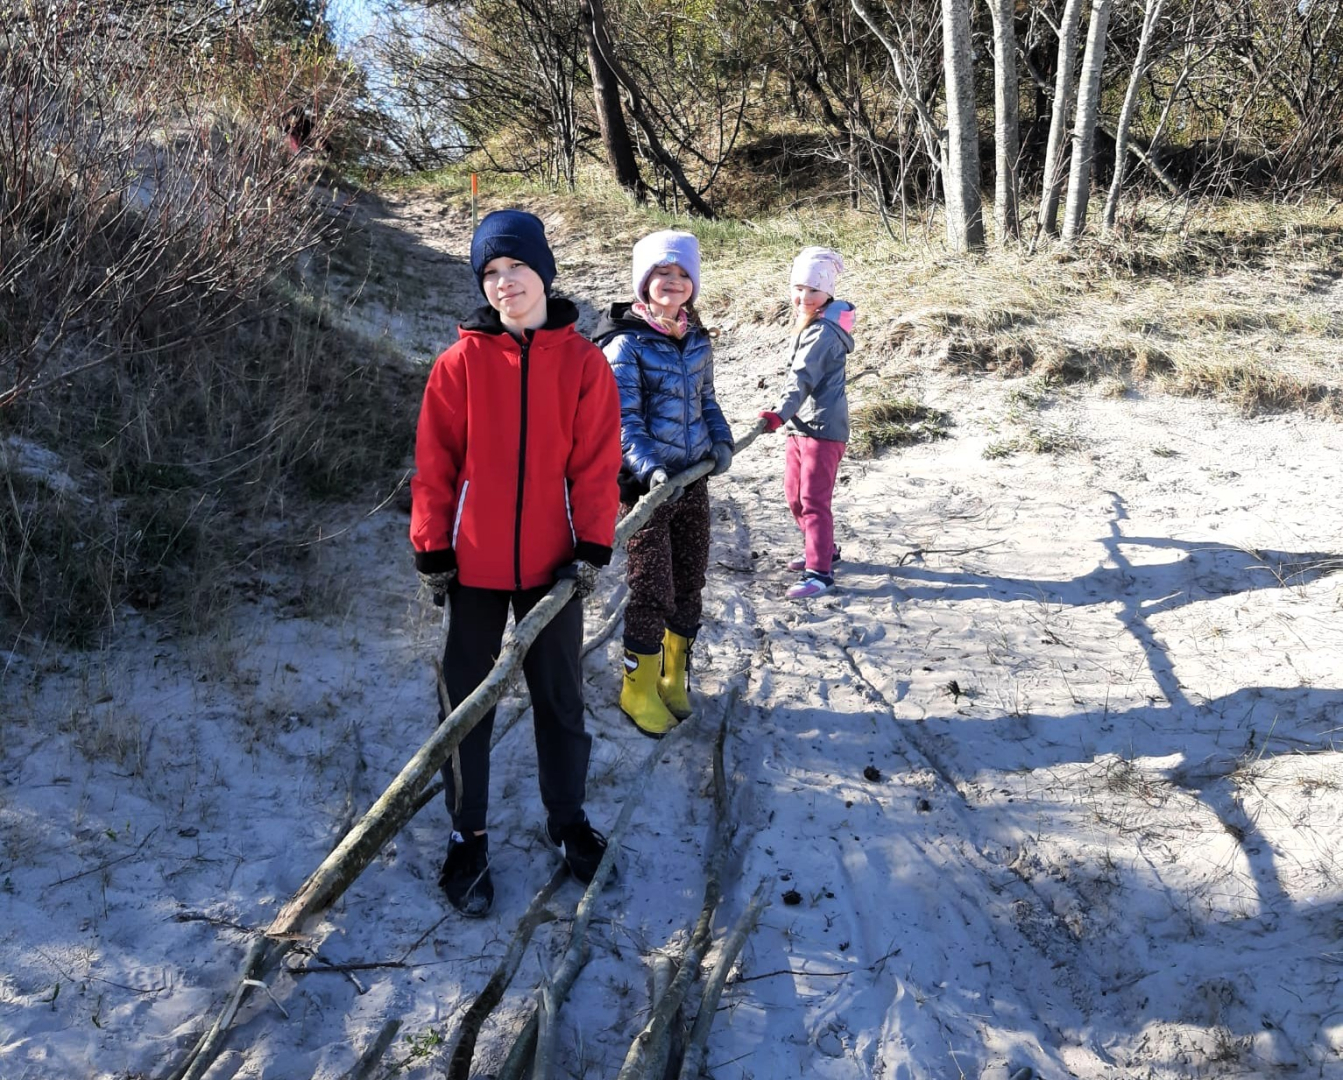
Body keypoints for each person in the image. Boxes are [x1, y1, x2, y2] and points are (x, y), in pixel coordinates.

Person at [410, 209, 623, 917]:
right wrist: (432, 547)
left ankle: (567, 819)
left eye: (518, 267)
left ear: (544, 273)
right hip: (472, 566)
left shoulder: (585, 364)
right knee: (466, 702)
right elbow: (435, 465)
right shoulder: (459, 364)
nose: (505, 282)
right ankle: (467, 832)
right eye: (491, 272)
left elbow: (595, 466)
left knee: (560, 698)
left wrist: (591, 546)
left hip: (554, 566)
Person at [593, 230, 734, 738]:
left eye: (682, 274)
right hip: (647, 489)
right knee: (653, 588)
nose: (673, 282)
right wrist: (650, 469)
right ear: (643, 281)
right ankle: (637, 687)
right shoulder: (625, 343)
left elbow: (707, 400)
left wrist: (721, 440)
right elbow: (623, 419)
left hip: (693, 481)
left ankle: (674, 677)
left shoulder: (697, 338)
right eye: (662, 273)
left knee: (690, 582)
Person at [758, 246, 856, 600]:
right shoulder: (812, 322)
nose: (804, 296)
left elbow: (802, 377)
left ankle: (820, 573)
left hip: (822, 429)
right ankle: (823, 549)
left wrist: (780, 413)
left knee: (813, 500)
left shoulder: (824, 332)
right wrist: (787, 417)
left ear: (827, 292)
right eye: (798, 288)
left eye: (813, 289)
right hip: (800, 426)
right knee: (794, 495)